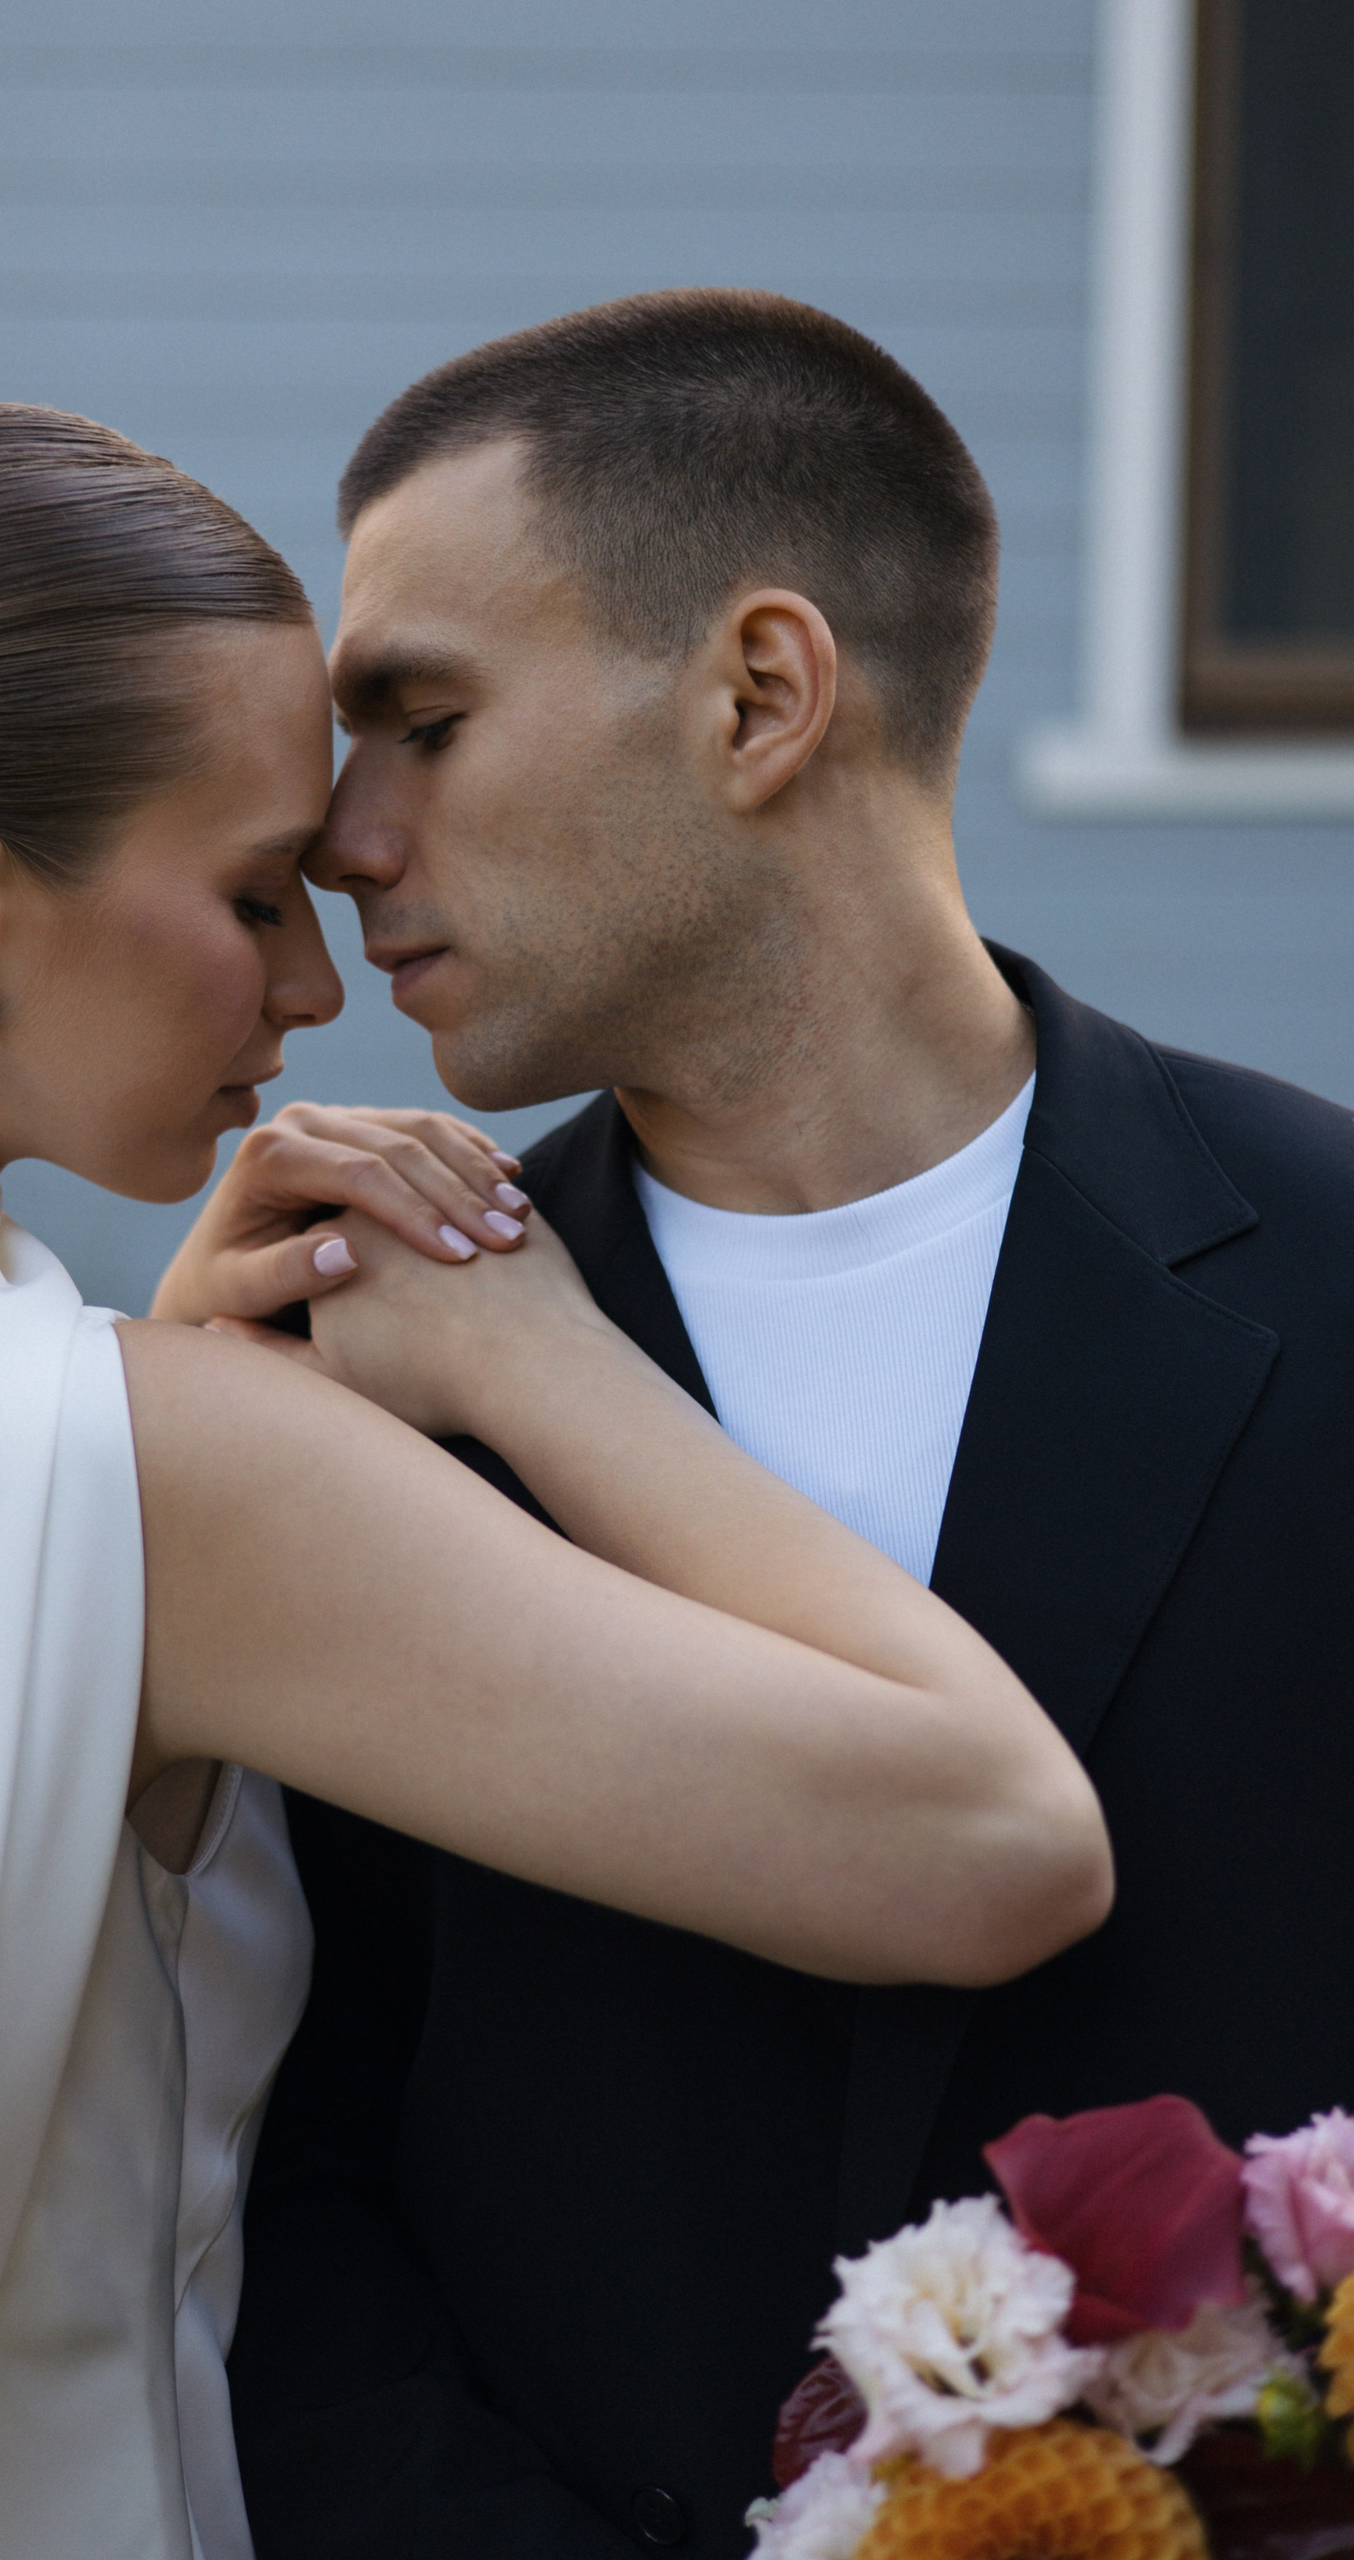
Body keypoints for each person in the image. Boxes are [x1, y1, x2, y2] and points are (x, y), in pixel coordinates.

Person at [0, 404, 1107, 2560]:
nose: (320, 986)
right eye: (249, 893)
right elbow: (998, 1837)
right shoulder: (140, 1462)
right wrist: (537, 1360)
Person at [203, 292, 1354, 2558]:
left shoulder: (1333, 1271)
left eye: (422, 721)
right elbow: (277, 2181)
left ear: (759, 695)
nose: (341, 836)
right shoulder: (348, 1369)